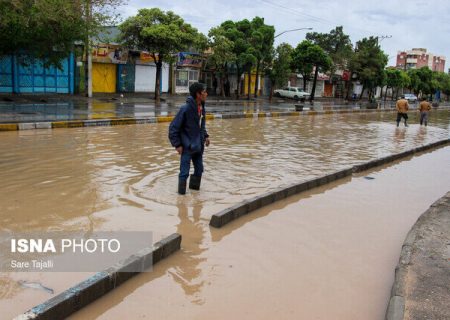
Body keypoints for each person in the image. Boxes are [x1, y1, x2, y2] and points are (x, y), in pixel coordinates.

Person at [168, 82, 210, 195]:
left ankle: (195, 194)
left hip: (198, 146)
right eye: (204, 92)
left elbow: (199, 125)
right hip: (187, 147)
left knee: (199, 170)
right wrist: (177, 145)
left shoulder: (201, 108)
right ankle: (181, 198)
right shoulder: (185, 109)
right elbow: (173, 128)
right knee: (184, 173)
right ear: (198, 94)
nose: (206, 94)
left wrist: (205, 136)